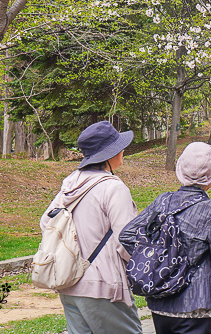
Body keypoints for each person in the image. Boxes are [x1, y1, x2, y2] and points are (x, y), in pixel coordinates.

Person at [119, 142, 211, 333]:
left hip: (160, 302)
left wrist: (159, 259)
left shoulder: (163, 200)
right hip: (195, 304)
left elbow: (128, 234)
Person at [40, 121, 140, 334]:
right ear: (108, 155)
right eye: (118, 147)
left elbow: (46, 223)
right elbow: (127, 240)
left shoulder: (70, 184)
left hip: (70, 284)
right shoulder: (113, 188)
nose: (122, 151)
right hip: (104, 287)